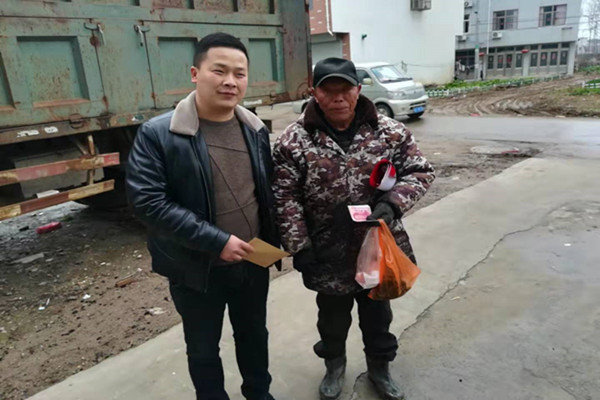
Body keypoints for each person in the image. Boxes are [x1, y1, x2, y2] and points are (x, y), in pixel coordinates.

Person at [126, 32, 279, 400]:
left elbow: (266, 191)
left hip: (252, 261)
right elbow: (148, 202)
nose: (230, 82)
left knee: (254, 336)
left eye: (239, 74)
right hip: (195, 267)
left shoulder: (254, 129)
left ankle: (259, 393)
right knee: (203, 348)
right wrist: (217, 241)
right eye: (219, 71)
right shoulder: (159, 134)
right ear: (195, 73)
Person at [272, 57, 435, 400]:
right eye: (328, 90)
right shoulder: (293, 140)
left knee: (378, 316)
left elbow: (420, 171)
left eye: (345, 89)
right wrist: (299, 245)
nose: (338, 97)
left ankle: (380, 368)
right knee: (332, 318)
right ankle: (334, 365)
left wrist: (392, 204)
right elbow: (285, 195)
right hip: (326, 251)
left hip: (378, 247)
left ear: (358, 90)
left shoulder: (389, 131)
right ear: (314, 93)